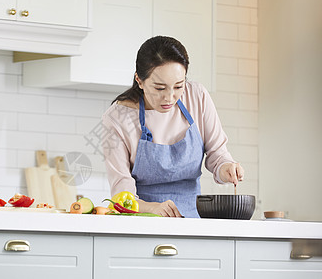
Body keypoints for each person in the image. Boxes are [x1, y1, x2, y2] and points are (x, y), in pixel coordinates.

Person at [101, 36, 244, 218]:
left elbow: (217, 153)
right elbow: (121, 196)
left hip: (192, 220)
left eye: (178, 86)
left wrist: (226, 167)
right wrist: (153, 208)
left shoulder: (196, 96)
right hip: (142, 222)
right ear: (139, 80)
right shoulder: (116, 118)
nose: (169, 97)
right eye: (160, 88)